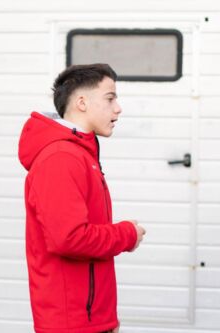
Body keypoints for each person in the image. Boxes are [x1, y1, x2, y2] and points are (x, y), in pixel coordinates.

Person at [18, 63, 146, 333]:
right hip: (72, 324)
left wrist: (105, 317)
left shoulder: (80, 154)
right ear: (82, 102)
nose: (118, 108)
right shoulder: (61, 158)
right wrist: (127, 234)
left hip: (88, 320)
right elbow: (70, 238)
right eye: (110, 98)